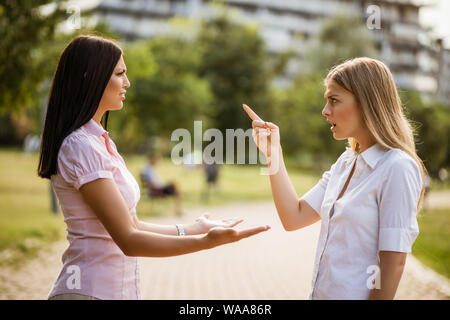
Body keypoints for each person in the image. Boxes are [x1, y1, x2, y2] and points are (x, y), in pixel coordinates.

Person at [37, 35, 270, 300]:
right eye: (119, 73)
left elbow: (132, 223)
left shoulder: (100, 141)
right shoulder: (81, 146)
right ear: (92, 77)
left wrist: (195, 228)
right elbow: (128, 240)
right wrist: (206, 243)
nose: (127, 82)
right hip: (88, 292)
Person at [243, 57, 427, 300]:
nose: (325, 111)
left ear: (367, 102)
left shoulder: (397, 168)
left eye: (334, 100)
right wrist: (273, 153)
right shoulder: (346, 162)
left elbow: (394, 264)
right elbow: (293, 216)